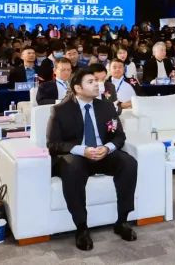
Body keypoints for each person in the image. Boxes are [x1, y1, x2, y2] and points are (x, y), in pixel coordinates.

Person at [45, 68, 137, 250]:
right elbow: (53, 144)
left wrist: (107, 147)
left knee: (129, 163)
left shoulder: (106, 107)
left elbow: (119, 136)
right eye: (91, 82)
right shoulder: (60, 110)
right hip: (77, 156)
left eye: (96, 80)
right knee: (73, 167)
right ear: (78, 88)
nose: (97, 84)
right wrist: (82, 150)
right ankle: (81, 228)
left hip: (103, 154)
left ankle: (122, 221)